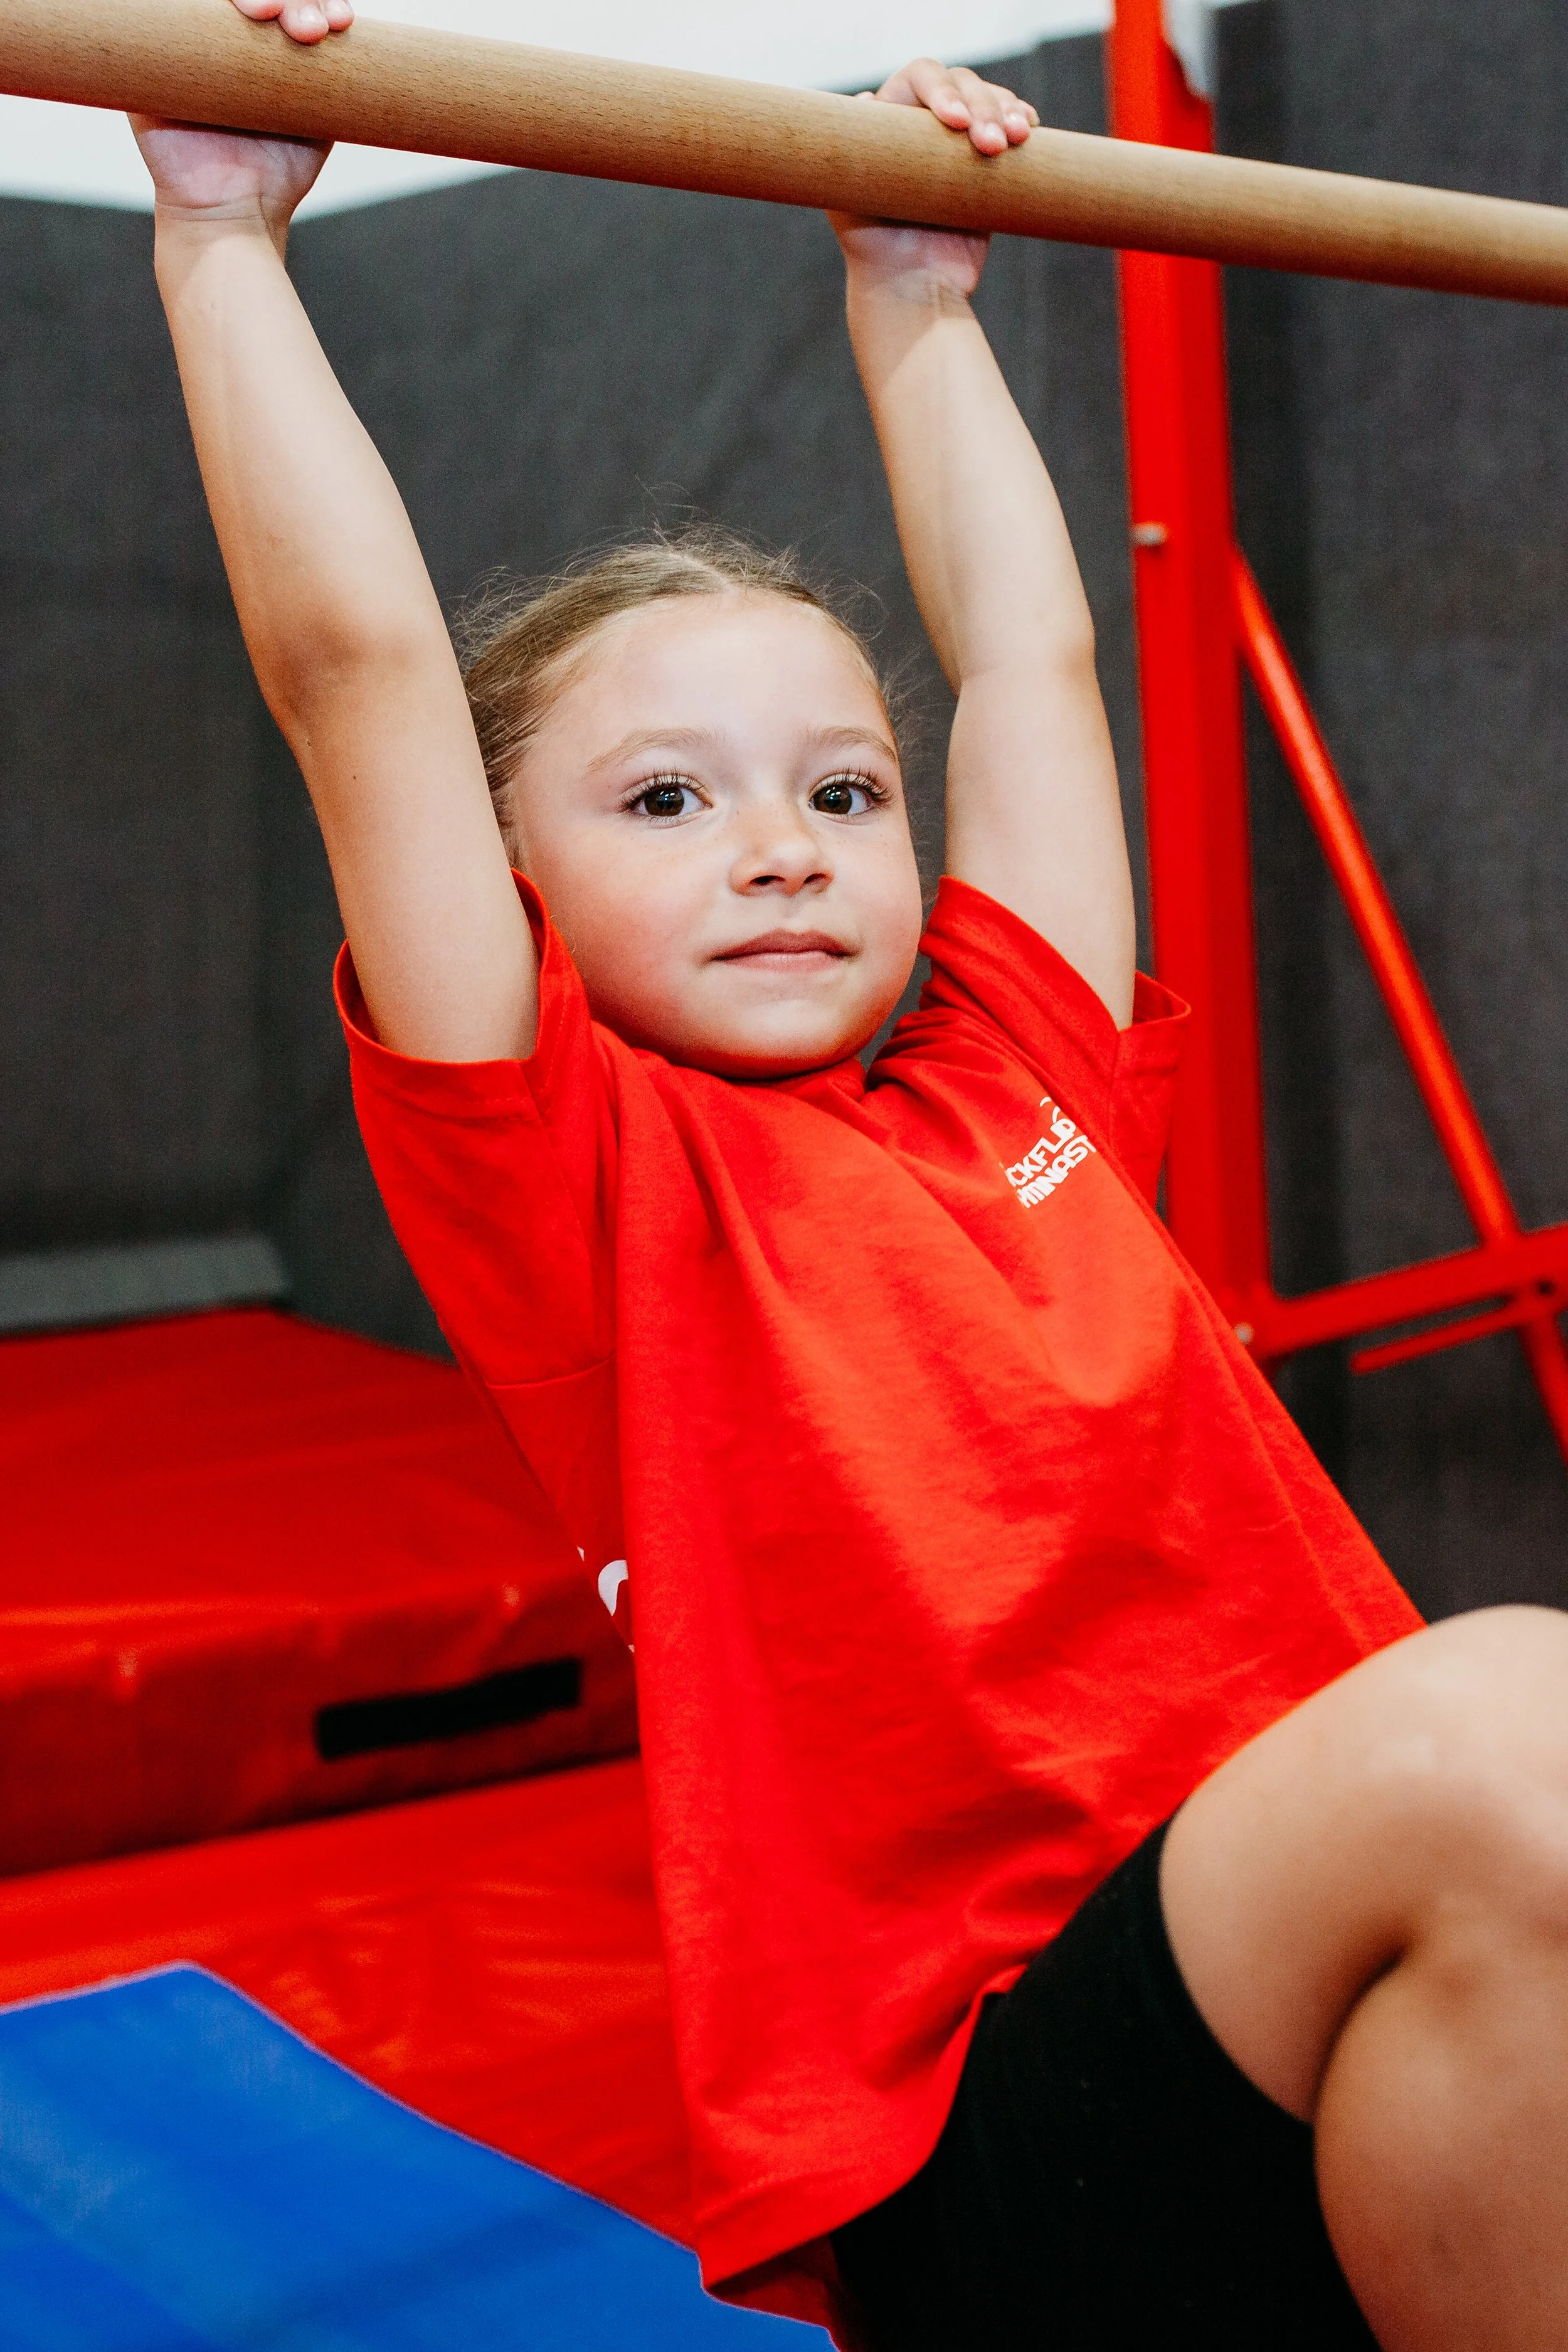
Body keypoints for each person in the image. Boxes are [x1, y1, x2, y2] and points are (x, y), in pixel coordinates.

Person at [134, 6, 1568, 2345]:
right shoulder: (578, 1179)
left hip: (1336, 2020)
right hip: (998, 2128)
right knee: (1507, 1721)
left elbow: (1027, 666)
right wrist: (217, 240)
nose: (785, 851)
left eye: (839, 789)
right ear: (502, 880)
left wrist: (914, 293)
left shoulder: (1020, 1075)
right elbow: (358, 670)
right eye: (666, 802)